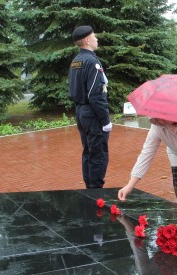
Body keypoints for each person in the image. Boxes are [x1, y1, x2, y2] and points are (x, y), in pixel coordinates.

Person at [68, 25, 112, 189]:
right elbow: (96, 94)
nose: (97, 38)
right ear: (87, 40)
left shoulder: (76, 61)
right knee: (98, 153)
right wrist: (105, 120)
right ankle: (95, 191)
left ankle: (89, 188)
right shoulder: (92, 61)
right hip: (92, 114)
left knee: (88, 151)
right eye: (94, 36)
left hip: (81, 111)